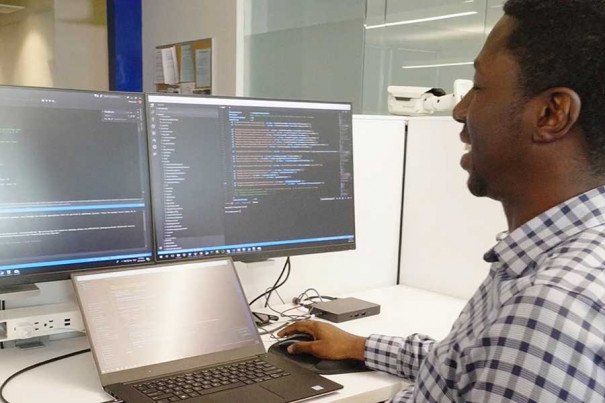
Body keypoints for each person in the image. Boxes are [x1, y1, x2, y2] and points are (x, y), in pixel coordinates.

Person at [278, 0, 605, 401]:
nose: (460, 111)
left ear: (552, 114)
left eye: (478, 88)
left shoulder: (549, 311)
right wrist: (359, 346)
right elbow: (467, 363)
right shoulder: (560, 263)